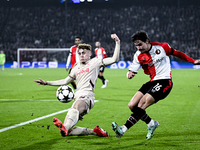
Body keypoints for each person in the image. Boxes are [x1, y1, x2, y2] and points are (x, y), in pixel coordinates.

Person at [111, 30, 200, 140]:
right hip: (152, 82)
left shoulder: (162, 47)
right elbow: (133, 69)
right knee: (132, 105)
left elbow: (177, 53)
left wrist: (193, 61)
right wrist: (130, 73)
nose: (138, 48)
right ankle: (151, 124)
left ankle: (123, 129)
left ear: (147, 41)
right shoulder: (138, 55)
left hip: (164, 81)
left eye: (140, 44)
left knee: (142, 102)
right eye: (136, 45)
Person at [35, 34, 120, 137]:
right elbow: (65, 81)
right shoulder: (76, 67)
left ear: (89, 54)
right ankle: (95, 132)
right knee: (69, 131)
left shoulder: (95, 62)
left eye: (84, 53)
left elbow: (114, 59)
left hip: (87, 97)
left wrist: (117, 42)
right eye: (79, 53)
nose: (81, 55)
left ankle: (65, 127)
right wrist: (47, 82)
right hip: (77, 97)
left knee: (73, 111)